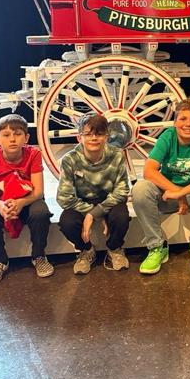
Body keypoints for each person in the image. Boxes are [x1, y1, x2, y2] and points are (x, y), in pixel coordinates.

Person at [132, 97, 190, 273]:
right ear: (175, 122)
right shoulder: (168, 136)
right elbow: (149, 171)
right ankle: (156, 247)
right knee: (140, 189)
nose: (188, 124)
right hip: (169, 194)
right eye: (183, 119)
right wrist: (178, 194)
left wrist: (183, 192)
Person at [0, 114, 53, 284]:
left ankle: (39, 256)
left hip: (26, 200)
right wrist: (1, 205)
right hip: (1, 201)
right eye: (6, 135)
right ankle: (0, 260)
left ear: (26, 137)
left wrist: (20, 203)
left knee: (41, 211)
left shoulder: (33, 153)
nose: (12, 139)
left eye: (18, 134)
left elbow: (38, 192)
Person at [56, 113, 130, 274]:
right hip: (81, 201)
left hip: (109, 200)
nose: (94, 138)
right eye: (88, 134)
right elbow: (64, 198)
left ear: (107, 136)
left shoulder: (117, 155)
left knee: (121, 216)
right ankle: (86, 250)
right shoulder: (69, 160)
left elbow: (122, 191)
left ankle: (114, 249)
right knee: (67, 221)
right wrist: (94, 213)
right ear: (79, 138)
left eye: (99, 133)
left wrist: (94, 214)